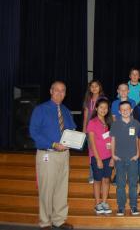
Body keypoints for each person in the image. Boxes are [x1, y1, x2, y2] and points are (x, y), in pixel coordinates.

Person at [29, 81, 76, 230]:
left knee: (61, 188)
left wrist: (75, 139)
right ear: (51, 91)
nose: (60, 93)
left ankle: (59, 220)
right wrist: (54, 144)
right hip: (47, 154)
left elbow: (71, 129)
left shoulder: (66, 111)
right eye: (57, 90)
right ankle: (45, 222)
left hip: (64, 155)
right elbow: (34, 132)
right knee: (46, 189)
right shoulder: (40, 109)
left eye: (63, 91)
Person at [110, 101, 140, 216]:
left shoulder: (136, 123)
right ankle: (121, 207)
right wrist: (113, 155)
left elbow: (138, 139)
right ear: (119, 112)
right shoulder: (115, 124)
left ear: (131, 110)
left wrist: (137, 154)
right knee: (120, 184)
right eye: (122, 110)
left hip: (133, 158)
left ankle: (133, 206)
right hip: (119, 158)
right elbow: (112, 140)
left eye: (127, 109)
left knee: (133, 183)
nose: (125, 111)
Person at [86, 98, 113, 215]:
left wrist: (112, 157)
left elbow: (113, 141)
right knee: (97, 181)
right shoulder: (92, 122)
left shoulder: (109, 122)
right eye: (101, 107)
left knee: (106, 180)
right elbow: (92, 142)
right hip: (97, 157)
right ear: (96, 108)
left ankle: (104, 202)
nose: (103, 110)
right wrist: (98, 159)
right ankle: (97, 204)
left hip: (108, 157)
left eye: (105, 108)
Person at [82, 80, 105, 184]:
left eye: (96, 86)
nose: (94, 88)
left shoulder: (103, 99)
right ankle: (92, 175)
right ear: (89, 88)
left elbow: (106, 114)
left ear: (100, 87)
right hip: (90, 130)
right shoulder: (88, 100)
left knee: (102, 152)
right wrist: (84, 130)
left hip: (101, 130)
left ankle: (103, 173)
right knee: (92, 153)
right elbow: (86, 117)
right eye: (92, 86)